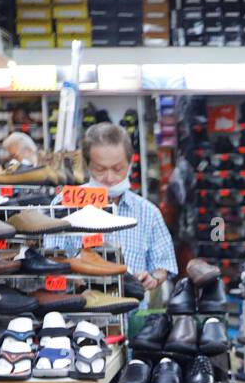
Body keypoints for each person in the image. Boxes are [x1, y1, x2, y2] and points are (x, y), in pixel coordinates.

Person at [46, 122, 176, 294]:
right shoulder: (65, 204)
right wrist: (73, 276)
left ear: (130, 163)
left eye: (118, 169)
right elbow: (50, 257)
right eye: (100, 169)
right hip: (78, 311)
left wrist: (153, 278)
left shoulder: (147, 212)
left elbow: (163, 264)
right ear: (87, 164)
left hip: (130, 311)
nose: (109, 178)